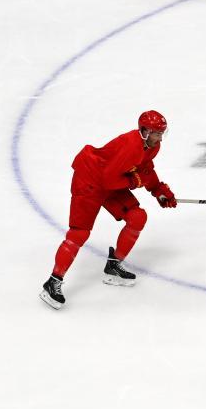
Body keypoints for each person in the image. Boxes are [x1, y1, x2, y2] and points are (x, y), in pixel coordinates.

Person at [40, 111, 177, 309]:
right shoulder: (131, 146)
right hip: (90, 181)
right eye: (156, 133)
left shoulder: (152, 146)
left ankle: (113, 266)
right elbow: (109, 179)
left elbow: (145, 169)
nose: (160, 137)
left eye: (162, 132)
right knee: (79, 233)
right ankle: (53, 282)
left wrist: (159, 191)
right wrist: (135, 181)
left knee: (137, 216)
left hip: (111, 181)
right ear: (145, 131)